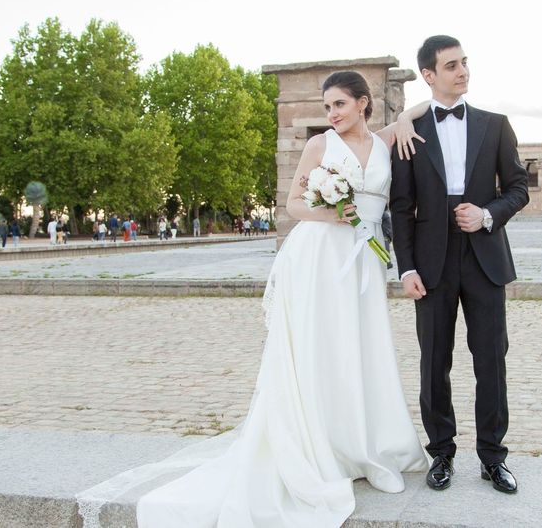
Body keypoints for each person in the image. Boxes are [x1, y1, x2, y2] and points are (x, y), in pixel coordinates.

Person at [78, 71, 432, 528]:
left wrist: (402, 117)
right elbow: (293, 205)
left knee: (361, 346)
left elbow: (428, 105)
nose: (333, 114)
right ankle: (323, 448)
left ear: (364, 103)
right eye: (328, 107)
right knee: (318, 345)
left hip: (363, 260)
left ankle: (366, 447)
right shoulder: (319, 146)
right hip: (320, 255)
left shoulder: (384, 143)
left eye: (340, 104)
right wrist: (334, 211)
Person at [390, 35, 528, 495]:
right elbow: (401, 205)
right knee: (434, 362)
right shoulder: (409, 130)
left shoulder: (495, 125)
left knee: (491, 360)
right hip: (430, 262)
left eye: (464, 62)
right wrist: (405, 268)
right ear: (429, 76)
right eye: (451, 66)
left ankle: (493, 458)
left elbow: (517, 188)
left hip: (484, 254)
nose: (463, 71)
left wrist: (487, 214)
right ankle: (441, 454)